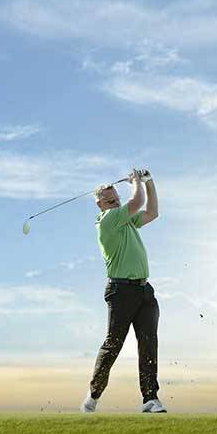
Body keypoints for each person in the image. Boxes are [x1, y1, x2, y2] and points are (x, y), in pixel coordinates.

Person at [81, 168, 166, 413]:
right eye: (110, 201)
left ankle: (150, 398)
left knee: (148, 343)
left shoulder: (125, 219)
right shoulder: (107, 221)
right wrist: (135, 182)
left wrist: (149, 182)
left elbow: (152, 211)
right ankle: (94, 394)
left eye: (116, 199)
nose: (115, 203)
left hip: (144, 291)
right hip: (120, 292)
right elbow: (137, 201)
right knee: (113, 344)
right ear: (99, 205)